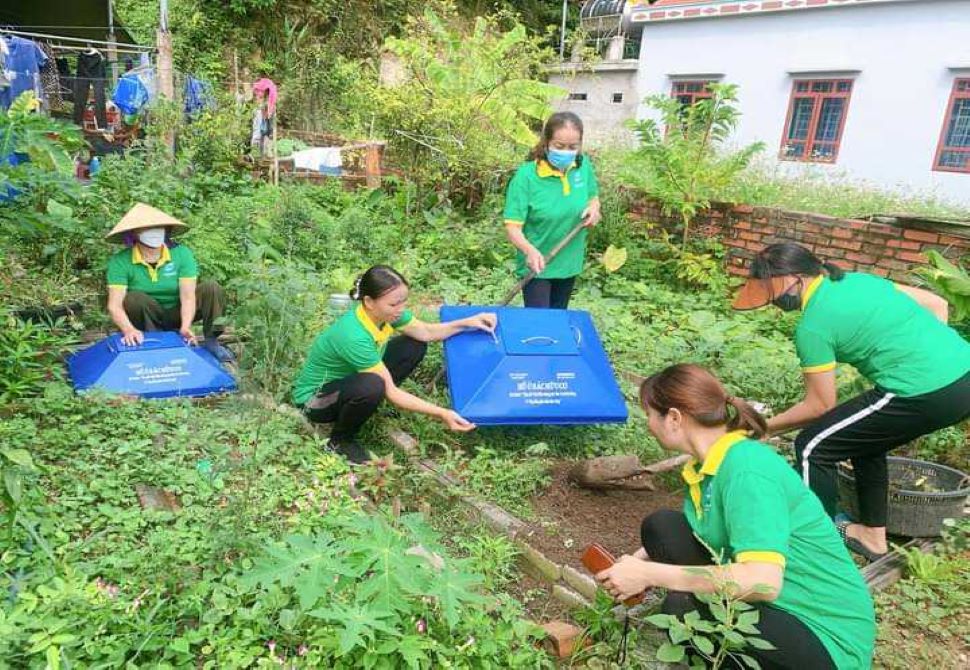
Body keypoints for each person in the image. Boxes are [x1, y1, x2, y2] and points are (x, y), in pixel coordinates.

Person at [596, 364, 875, 670]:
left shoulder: (748, 470)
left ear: (674, 418)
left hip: (824, 636)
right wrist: (634, 564)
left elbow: (763, 582)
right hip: (776, 603)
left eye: (649, 414)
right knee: (662, 528)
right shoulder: (710, 465)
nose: (648, 424)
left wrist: (650, 575)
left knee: (682, 609)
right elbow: (701, 531)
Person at [733, 243, 970, 560]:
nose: (775, 302)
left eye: (773, 292)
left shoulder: (813, 326)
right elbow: (937, 304)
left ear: (794, 279)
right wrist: (927, 353)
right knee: (864, 440)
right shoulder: (858, 280)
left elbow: (819, 406)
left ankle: (813, 547)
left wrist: (764, 428)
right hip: (963, 374)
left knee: (812, 446)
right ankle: (872, 536)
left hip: (922, 392)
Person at [292, 265, 497, 464]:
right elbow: (390, 390)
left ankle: (369, 404)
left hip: (350, 381)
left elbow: (426, 332)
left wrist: (468, 322)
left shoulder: (385, 314)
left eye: (403, 302)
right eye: (393, 304)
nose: (400, 310)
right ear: (369, 301)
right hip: (316, 400)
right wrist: (443, 413)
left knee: (415, 344)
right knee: (373, 385)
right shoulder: (353, 335)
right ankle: (340, 440)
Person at [105, 202, 232, 361]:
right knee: (133, 298)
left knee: (211, 288)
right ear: (134, 233)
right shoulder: (121, 261)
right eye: (146, 228)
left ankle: (212, 341)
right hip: (145, 315)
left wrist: (186, 326)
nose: (154, 232)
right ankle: (157, 340)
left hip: (176, 311)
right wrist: (128, 330)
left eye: (159, 227)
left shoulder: (181, 254)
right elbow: (114, 305)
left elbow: (188, 296)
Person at [503, 111, 601, 309]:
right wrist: (529, 250)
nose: (566, 152)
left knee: (557, 320)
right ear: (546, 142)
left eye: (573, 147)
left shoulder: (583, 167)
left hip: (568, 261)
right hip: (537, 264)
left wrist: (593, 209)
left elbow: (593, 197)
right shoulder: (527, 176)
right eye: (559, 146)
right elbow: (512, 227)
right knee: (539, 325)